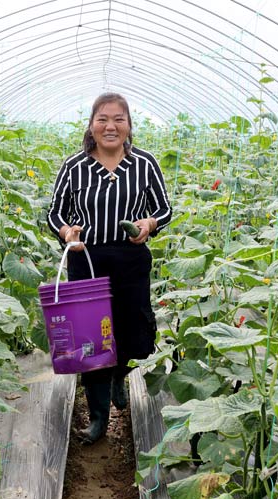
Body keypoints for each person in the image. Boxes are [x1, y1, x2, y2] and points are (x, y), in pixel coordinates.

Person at [46, 92, 171, 443]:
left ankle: (120, 373)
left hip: (130, 261)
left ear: (129, 126)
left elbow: (164, 209)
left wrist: (148, 224)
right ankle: (99, 415)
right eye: (102, 119)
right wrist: (67, 231)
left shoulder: (144, 165)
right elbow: (55, 212)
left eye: (119, 119)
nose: (110, 126)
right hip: (87, 260)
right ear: (91, 125)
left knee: (132, 330)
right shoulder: (75, 167)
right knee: (91, 339)